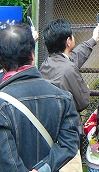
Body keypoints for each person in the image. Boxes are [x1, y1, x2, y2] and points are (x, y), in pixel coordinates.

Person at [0, 23, 80, 171]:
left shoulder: (2, 104)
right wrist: (43, 168)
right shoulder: (64, 98)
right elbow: (69, 143)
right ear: (32, 54)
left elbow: (6, 159)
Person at [40, 18, 99, 172]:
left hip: (48, 131)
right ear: (69, 41)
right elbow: (83, 102)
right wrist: (85, 89)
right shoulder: (68, 69)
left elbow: (74, 57)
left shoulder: (46, 64)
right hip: (66, 136)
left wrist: (94, 38)